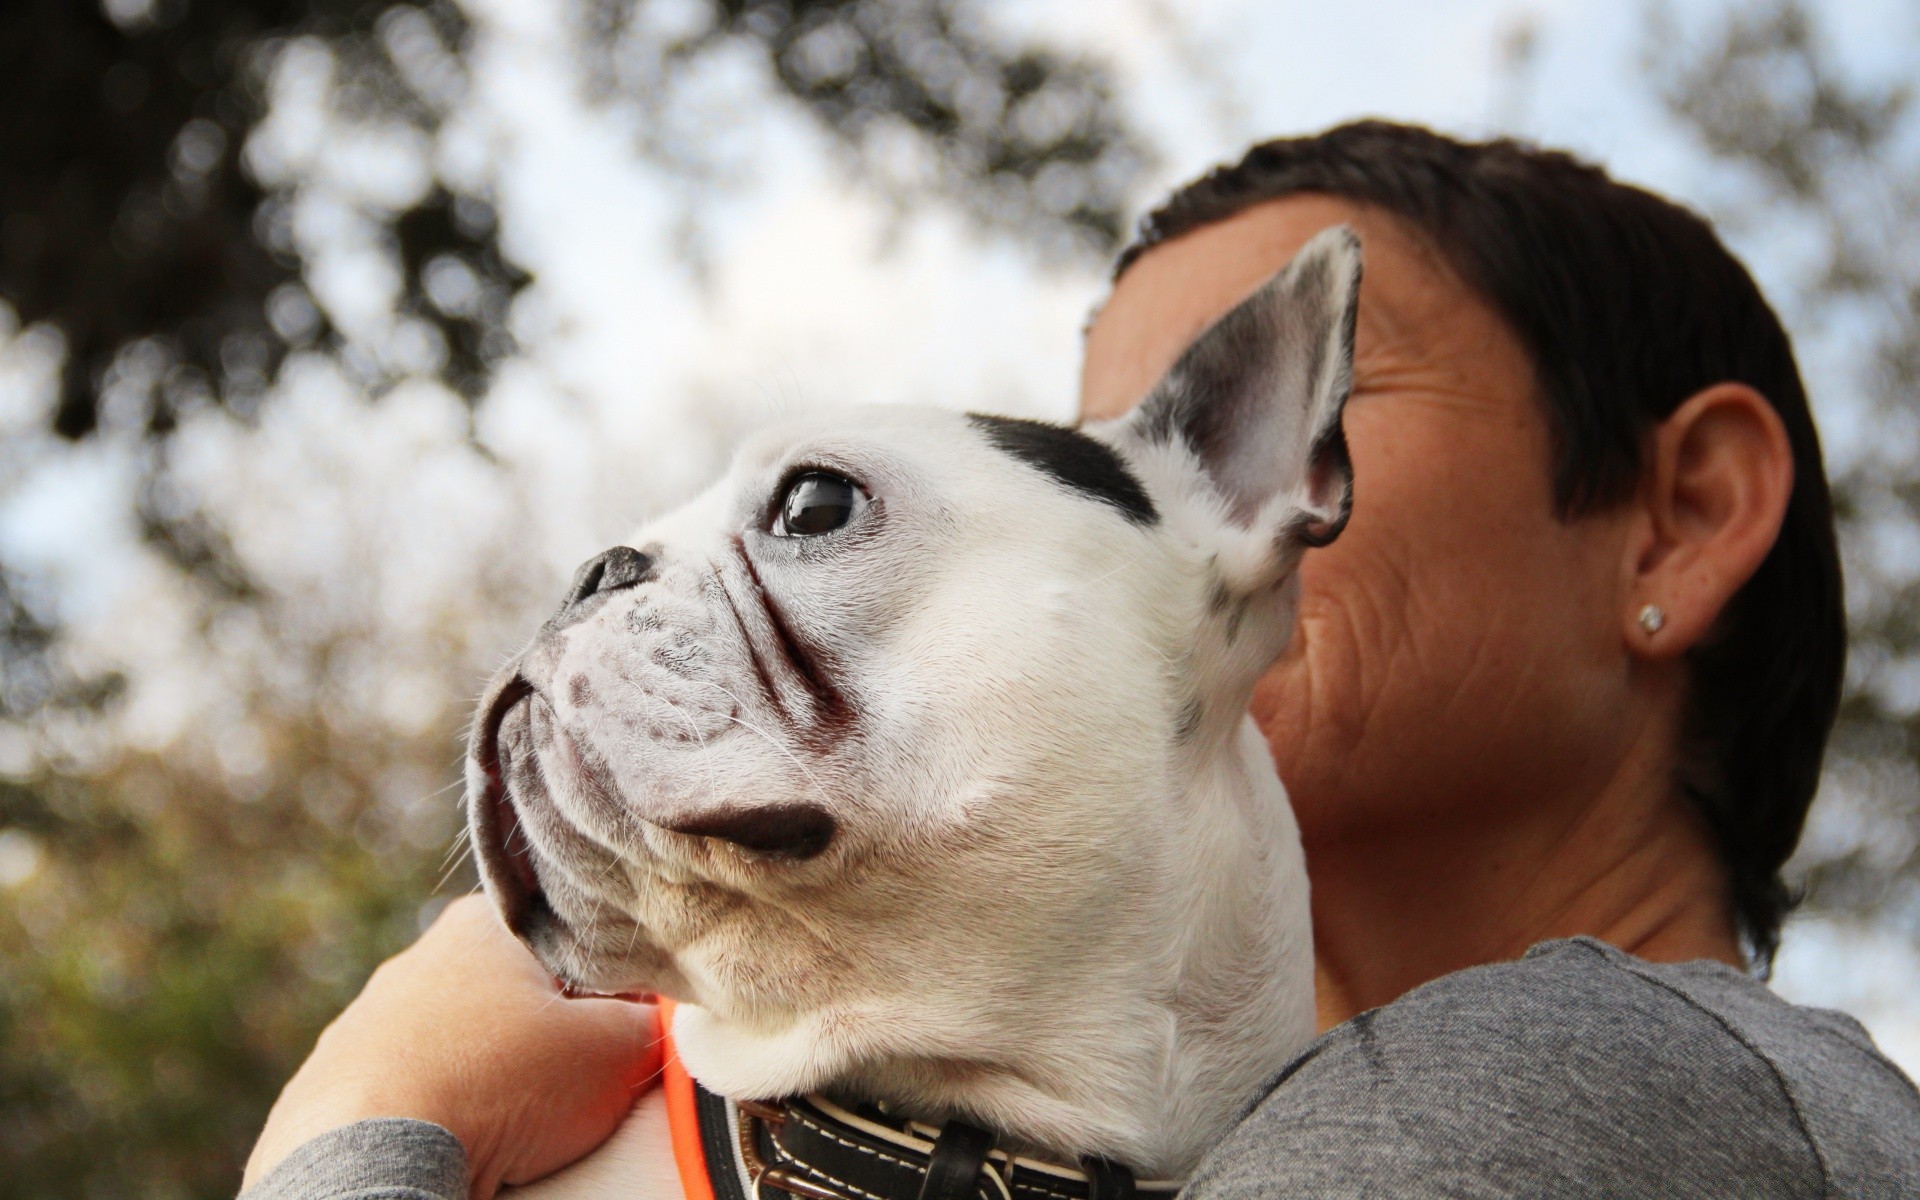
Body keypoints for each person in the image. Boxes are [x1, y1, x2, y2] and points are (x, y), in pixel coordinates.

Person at [241, 122, 1920, 1199]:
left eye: (1259, 411)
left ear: (1678, 516)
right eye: (1090, 450)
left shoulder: (1541, 1097)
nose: (1154, 518)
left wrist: (365, 1113)